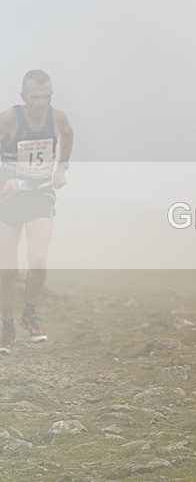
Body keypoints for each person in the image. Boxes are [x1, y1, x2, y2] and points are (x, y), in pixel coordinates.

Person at [0, 70, 73, 355]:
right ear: (23, 97)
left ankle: (29, 312)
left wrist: (62, 167)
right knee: (8, 267)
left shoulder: (58, 118)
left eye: (47, 97)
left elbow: (67, 134)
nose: (42, 103)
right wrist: (5, 178)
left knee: (39, 260)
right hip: (9, 199)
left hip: (40, 194)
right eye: (35, 98)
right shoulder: (9, 119)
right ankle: (6, 326)